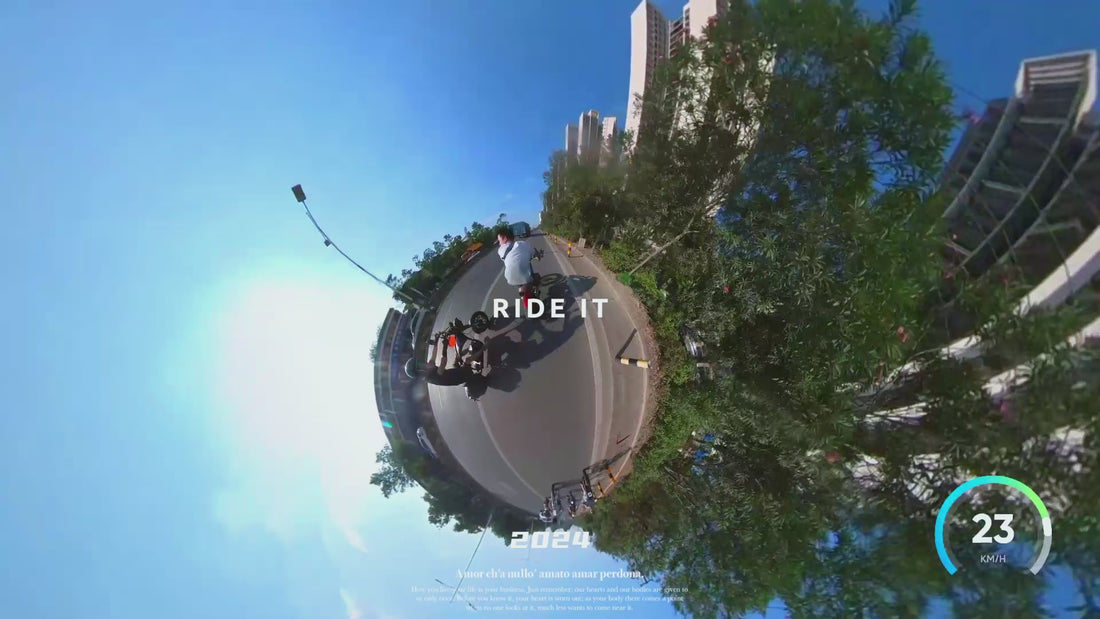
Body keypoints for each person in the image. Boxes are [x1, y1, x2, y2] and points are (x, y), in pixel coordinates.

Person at [496, 226, 537, 313]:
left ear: (505, 238)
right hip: (524, 275)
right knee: (530, 279)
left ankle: (522, 295)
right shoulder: (523, 244)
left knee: (518, 281)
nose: (499, 244)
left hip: (510, 278)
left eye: (499, 241)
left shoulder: (500, 250)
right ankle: (529, 291)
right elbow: (533, 253)